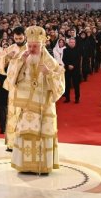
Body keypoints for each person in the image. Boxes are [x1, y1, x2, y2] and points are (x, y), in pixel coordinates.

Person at [4, 26, 64, 174]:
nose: (31, 49)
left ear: (42, 45)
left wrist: (49, 73)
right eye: (29, 46)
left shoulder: (50, 61)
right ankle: (25, 166)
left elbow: (60, 85)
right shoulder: (23, 58)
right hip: (26, 105)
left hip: (44, 107)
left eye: (35, 46)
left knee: (42, 135)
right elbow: (10, 80)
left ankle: (43, 166)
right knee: (26, 133)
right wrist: (19, 63)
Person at [0, 25, 28, 150]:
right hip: (13, 86)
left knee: (24, 113)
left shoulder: (30, 47)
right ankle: (12, 143)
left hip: (25, 85)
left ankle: (24, 142)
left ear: (24, 36)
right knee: (12, 113)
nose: (18, 40)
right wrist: (9, 56)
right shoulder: (11, 48)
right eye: (16, 38)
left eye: (20, 38)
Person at [61, 35, 82, 103]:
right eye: (71, 42)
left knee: (76, 84)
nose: (72, 43)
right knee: (67, 84)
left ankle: (77, 98)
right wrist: (68, 65)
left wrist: (73, 66)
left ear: (75, 43)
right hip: (67, 69)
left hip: (76, 69)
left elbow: (78, 60)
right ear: (68, 43)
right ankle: (67, 98)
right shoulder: (65, 50)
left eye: (73, 42)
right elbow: (64, 59)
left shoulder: (78, 50)